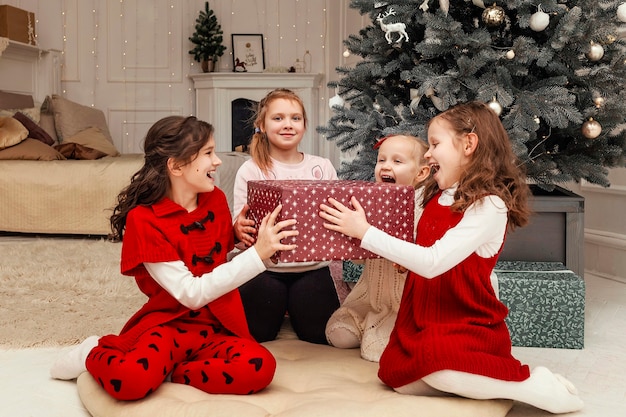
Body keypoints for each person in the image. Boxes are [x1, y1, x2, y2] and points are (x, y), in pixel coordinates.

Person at [319, 101, 584, 414]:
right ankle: (467, 378)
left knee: (438, 369)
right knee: (397, 376)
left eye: (434, 144)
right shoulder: (434, 193)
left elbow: (433, 262)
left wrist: (364, 232)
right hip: (423, 317)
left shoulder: (489, 206)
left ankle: (532, 385)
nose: (428, 154)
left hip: (464, 319)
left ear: (468, 144)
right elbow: (415, 238)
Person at [50, 115, 299, 401]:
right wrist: (257, 255)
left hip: (217, 326)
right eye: (208, 153)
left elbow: (207, 251)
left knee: (260, 367)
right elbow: (190, 293)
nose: (217, 161)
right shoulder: (143, 221)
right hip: (169, 326)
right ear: (176, 165)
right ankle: (92, 352)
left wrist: (235, 234)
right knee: (131, 381)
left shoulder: (215, 199)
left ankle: (173, 373)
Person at [233, 88, 339, 344]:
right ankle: (281, 305)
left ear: (304, 125)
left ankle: (293, 304)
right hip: (264, 268)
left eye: (295, 118)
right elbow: (240, 220)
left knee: (318, 334)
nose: (288, 125)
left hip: (313, 267)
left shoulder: (322, 166)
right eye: (278, 118)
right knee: (257, 334)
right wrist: (239, 227)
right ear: (262, 125)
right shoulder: (251, 169)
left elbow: (337, 214)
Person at [325, 134, 430, 362]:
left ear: (421, 173)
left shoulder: (422, 209)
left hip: (402, 300)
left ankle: (391, 328)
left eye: (397, 161)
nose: (386, 166)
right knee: (339, 335)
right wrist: (346, 242)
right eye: (381, 160)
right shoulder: (369, 201)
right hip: (369, 295)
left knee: (375, 349)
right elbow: (362, 258)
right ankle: (367, 322)